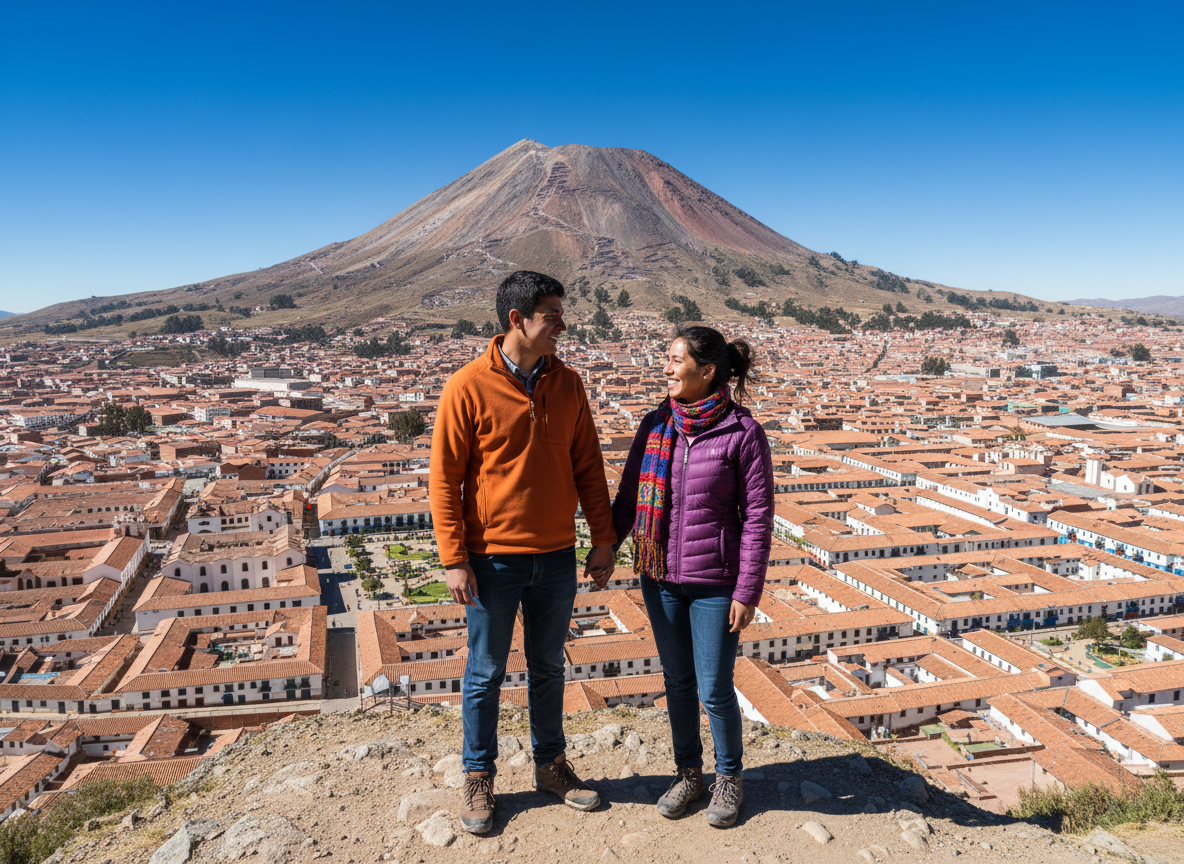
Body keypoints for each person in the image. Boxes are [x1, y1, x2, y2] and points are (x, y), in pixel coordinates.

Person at [430, 270, 618, 835]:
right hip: (492, 559)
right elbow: (445, 480)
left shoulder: (570, 384)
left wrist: (603, 538)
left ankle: (551, 766)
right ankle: (478, 776)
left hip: (557, 554)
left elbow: (588, 464)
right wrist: (453, 557)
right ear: (518, 319)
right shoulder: (466, 386)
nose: (562, 324)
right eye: (552, 315)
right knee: (485, 672)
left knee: (547, 668)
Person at [611, 324, 773, 828]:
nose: (666, 367)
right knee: (677, 682)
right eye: (667, 357)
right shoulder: (655, 426)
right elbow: (628, 497)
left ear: (706, 372)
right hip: (659, 578)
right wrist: (605, 548)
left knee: (714, 687)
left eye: (676, 359)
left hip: (714, 584)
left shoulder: (743, 434)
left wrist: (746, 591)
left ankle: (729, 777)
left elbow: (758, 518)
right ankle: (688, 774)